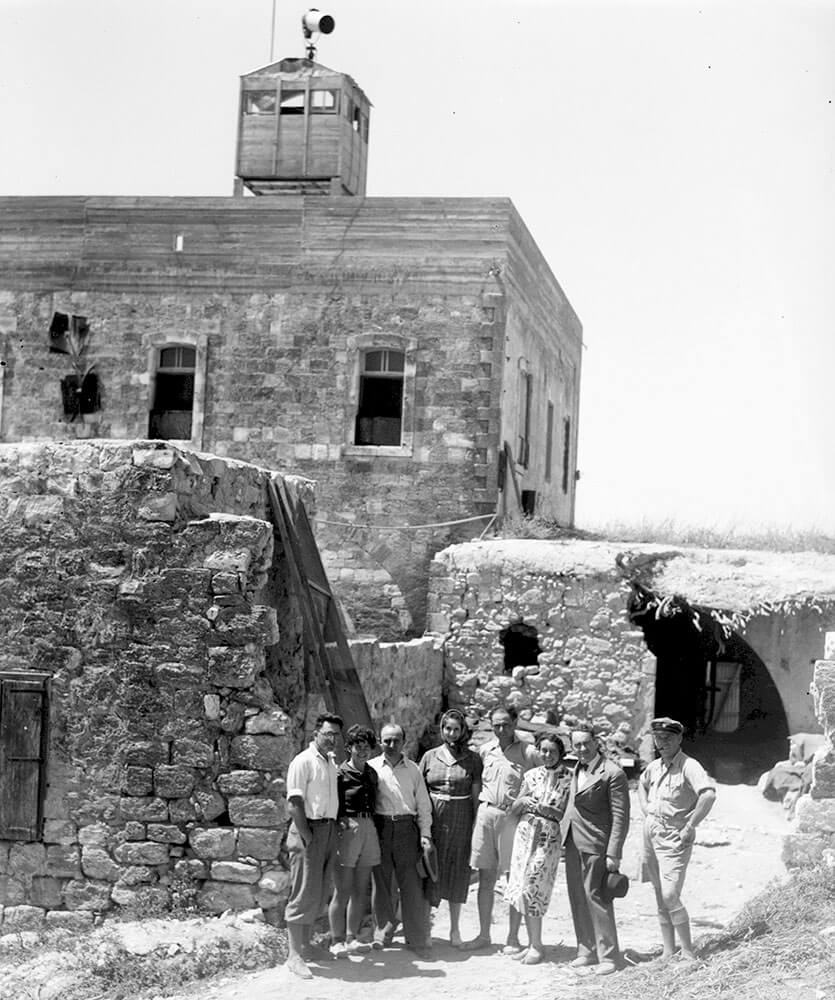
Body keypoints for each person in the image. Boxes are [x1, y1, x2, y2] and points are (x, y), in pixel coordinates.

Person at [463, 704, 541, 953]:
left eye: (506, 723)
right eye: (496, 724)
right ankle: (484, 934)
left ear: (515, 722)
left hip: (513, 818)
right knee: (486, 878)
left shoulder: (529, 752)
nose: (501, 729)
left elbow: (540, 784)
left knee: (513, 880)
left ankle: (513, 938)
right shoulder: (486, 750)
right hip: (487, 815)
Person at [638, 717, 716, 961]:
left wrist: (691, 825)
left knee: (671, 894)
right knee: (659, 892)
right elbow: (641, 784)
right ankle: (668, 951)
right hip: (651, 833)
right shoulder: (655, 766)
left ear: (680, 738)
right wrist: (645, 808)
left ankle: (688, 953)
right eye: (659, 739)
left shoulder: (689, 765)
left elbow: (708, 795)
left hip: (674, 836)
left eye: (668, 738)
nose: (663, 743)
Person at [563, 723, 630, 977]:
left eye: (586, 743)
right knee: (577, 896)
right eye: (577, 744)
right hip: (572, 842)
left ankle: (609, 956)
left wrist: (614, 852)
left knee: (598, 897)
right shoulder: (576, 769)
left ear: (596, 742)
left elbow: (621, 817)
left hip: (596, 845)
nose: (581, 748)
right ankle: (586, 949)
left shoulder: (612, 773)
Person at [504, 731, 572, 965]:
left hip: (547, 838)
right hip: (524, 835)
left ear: (560, 753)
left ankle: (537, 945)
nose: (547, 755)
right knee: (519, 884)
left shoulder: (568, 778)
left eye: (552, 751)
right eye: (543, 750)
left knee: (535, 885)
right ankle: (521, 940)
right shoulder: (531, 775)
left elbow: (565, 813)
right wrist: (522, 802)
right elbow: (513, 809)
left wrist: (547, 810)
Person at [284, 713, 344, 979]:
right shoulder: (303, 761)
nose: (332, 739)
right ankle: (294, 955)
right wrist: (307, 834)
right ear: (315, 733)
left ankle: (307, 946)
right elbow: (294, 803)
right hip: (308, 830)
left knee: (319, 892)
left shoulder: (331, 762)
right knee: (303, 891)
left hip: (328, 831)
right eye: (327, 734)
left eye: (336, 735)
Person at [369, 723, 435, 960]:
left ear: (404, 742)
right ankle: (382, 933)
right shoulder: (371, 767)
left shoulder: (414, 770)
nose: (391, 745)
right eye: (387, 740)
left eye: (396, 740)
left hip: (407, 828)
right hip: (382, 827)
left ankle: (416, 939)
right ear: (380, 741)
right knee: (382, 883)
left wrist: (425, 834)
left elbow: (424, 805)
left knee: (411, 885)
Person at [419, 709, 483, 947]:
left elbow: (476, 797)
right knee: (431, 868)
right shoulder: (429, 756)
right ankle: (426, 930)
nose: (452, 733)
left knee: (457, 871)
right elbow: (420, 793)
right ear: (442, 729)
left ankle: (455, 930)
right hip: (435, 817)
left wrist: (476, 825)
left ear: (463, 731)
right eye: (448, 728)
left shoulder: (472, 759)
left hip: (461, 818)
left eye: (457, 729)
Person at [328, 724, 381, 958]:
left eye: (367, 746)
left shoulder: (371, 773)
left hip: (369, 827)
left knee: (361, 888)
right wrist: (341, 823)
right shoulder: (339, 774)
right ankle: (336, 939)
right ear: (349, 748)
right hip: (348, 827)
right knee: (342, 889)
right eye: (358, 746)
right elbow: (333, 803)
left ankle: (352, 937)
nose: (363, 751)